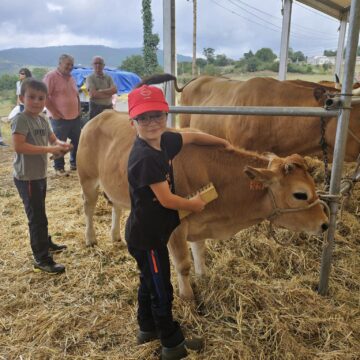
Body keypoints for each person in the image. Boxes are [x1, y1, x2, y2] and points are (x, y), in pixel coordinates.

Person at [126, 84, 231, 360]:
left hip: (150, 232)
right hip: (147, 238)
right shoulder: (144, 158)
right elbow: (167, 199)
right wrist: (193, 204)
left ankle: (146, 328)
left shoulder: (165, 140)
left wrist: (221, 143)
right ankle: (172, 344)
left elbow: (192, 136)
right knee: (161, 288)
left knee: (148, 281)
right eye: (143, 118)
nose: (151, 123)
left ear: (166, 115)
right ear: (133, 121)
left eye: (157, 115)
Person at [11, 78, 71, 274]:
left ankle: (44, 242)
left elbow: (53, 139)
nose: (36, 102)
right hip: (26, 177)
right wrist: (49, 149)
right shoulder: (21, 119)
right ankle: (41, 258)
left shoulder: (43, 119)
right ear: (21, 98)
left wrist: (61, 145)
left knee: (40, 212)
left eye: (41, 98)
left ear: (46, 100)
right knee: (36, 217)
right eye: (31, 97)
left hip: (38, 175)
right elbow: (18, 146)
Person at [43, 54, 81, 176]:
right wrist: (54, 112)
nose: (70, 67)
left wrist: (79, 108)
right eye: (67, 64)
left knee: (77, 141)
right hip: (59, 118)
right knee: (59, 143)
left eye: (71, 65)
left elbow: (76, 95)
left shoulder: (72, 78)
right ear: (59, 64)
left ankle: (75, 163)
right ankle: (59, 168)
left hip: (74, 117)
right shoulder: (51, 77)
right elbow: (44, 96)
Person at [86, 56, 117, 120]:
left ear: (103, 65)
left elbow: (115, 90)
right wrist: (109, 93)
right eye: (95, 63)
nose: (98, 65)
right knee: (95, 129)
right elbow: (93, 94)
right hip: (96, 109)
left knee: (108, 128)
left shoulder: (108, 77)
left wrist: (101, 91)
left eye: (100, 63)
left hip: (108, 107)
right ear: (92, 65)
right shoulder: (90, 78)